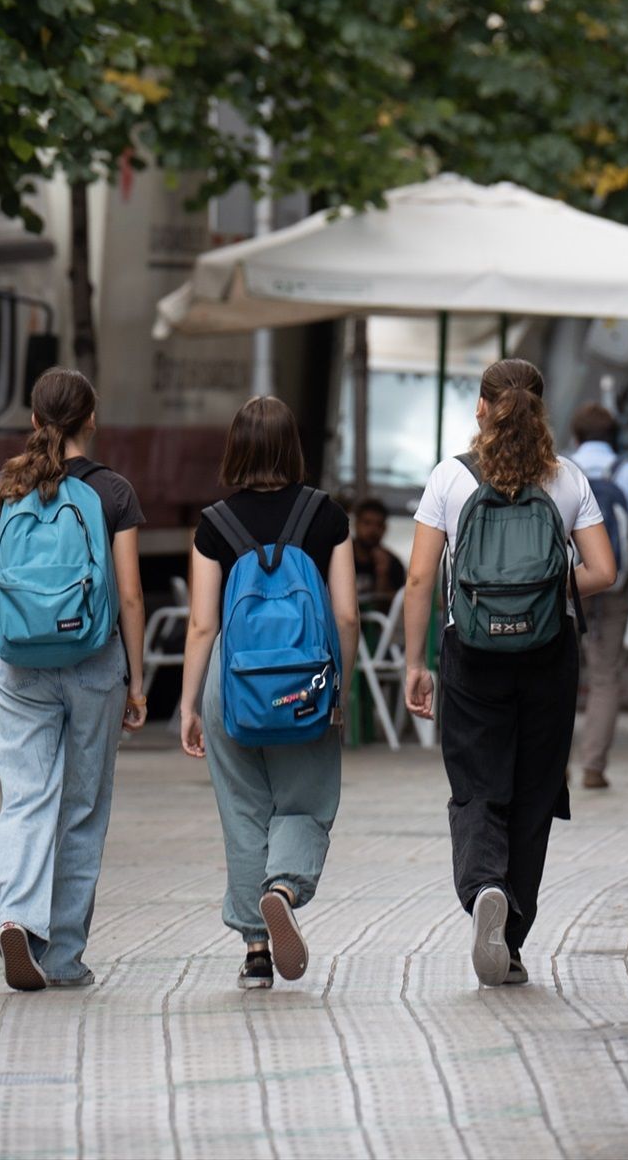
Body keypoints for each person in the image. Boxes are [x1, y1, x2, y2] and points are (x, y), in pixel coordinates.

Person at [403, 359, 615, 988]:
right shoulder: (567, 477)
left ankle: (484, 888)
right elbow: (602, 570)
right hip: (550, 652)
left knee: (476, 784)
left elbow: (419, 578)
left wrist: (416, 663)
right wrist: (544, 594)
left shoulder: (450, 477)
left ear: (481, 407)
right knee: (534, 791)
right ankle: (513, 942)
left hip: (468, 651)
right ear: (539, 408)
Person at [177, 397, 359, 989]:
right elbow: (347, 615)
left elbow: (203, 624)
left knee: (243, 812)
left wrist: (188, 704)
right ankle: (283, 886)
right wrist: (341, 689)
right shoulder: (326, 516)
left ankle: (256, 948)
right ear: (293, 447)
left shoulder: (214, 523)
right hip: (306, 687)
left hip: (232, 688)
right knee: (305, 804)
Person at [0, 369, 148, 991]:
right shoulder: (113, 492)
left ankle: (16, 917)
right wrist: (135, 681)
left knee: (24, 797)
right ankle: (63, 956)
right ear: (91, 420)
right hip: (94, 660)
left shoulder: (5, 488)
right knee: (82, 807)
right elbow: (129, 595)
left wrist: (3, 660)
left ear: (33, 420)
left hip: (22, 660)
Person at [568, 403, 628, 790]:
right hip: (614, 586)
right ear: (615, 436)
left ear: (577, 436)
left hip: (565, 586)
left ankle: (554, 767)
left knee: (559, 670)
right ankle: (593, 766)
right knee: (605, 676)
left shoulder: (559, 469)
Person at [351, 497, 406, 609]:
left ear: (385, 528)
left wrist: (382, 574)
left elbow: (392, 608)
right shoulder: (340, 556)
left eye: (379, 525)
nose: (373, 530)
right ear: (355, 524)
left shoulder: (393, 563)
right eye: (367, 523)